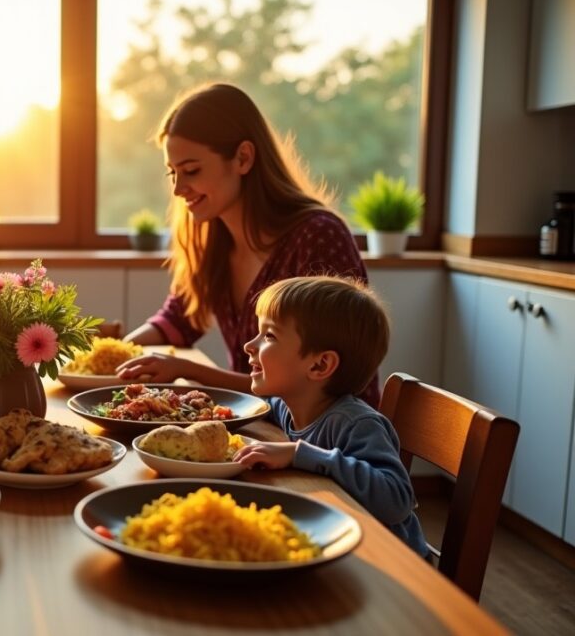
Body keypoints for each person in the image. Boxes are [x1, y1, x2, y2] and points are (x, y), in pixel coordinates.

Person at [115, 83, 379, 406]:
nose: (178, 189)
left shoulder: (318, 237)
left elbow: (324, 388)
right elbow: (177, 321)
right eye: (173, 173)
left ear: (243, 158)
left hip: (326, 433)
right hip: (257, 425)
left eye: (191, 171)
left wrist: (187, 370)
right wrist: (117, 356)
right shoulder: (213, 238)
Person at [232, 276, 428, 558]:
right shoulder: (288, 406)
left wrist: (298, 453)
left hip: (390, 561)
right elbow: (261, 408)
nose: (250, 345)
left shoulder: (355, 423)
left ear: (320, 365)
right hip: (339, 542)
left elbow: (396, 499)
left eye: (269, 335)